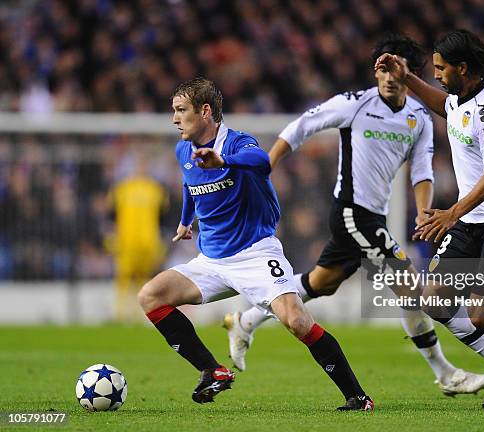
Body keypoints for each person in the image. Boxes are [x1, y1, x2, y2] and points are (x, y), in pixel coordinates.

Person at [223, 33, 484, 397]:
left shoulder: (419, 118)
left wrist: (425, 211)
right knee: (410, 287)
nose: (388, 76)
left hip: (373, 218)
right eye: (382, 68)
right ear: (375, 71)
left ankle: (246, 320)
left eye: (397, 68)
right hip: (351, 213)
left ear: (410, 73)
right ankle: (445, 373)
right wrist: (266, 167)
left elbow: (422, 169)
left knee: (321, 283)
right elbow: (300, 127)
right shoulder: (354, 104)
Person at [137, 77, 373, 411]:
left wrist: (223, 162)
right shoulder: (182, 148)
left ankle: (359, 397)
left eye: (180, 110)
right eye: (173, 111)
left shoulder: (237, 144)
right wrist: (185, 219)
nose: (174, 118)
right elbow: (191, 184)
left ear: (205, 111)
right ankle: (212, 370)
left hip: (255, 254)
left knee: (296, 321)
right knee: (151, 296)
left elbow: (262, 163)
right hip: (211, 262)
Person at [375, 29, 484, 409]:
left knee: (482, 315)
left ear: (463, 68)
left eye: (441, 68)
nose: (436, 74)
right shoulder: (460, 99)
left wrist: (451, 213)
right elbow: (444, 105)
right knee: (434, 300)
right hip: (470, 221)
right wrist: (407, 77)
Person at [107, 157, 168, 322]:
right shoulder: (122, 188)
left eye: (144, 165)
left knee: (144, 278)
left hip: (148, 242)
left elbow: (163, 217)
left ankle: (141, 315)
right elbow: (111, 214)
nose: (141, 168)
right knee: (124, 278)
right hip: (126, 242)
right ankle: (120, 315)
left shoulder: (155, 189)